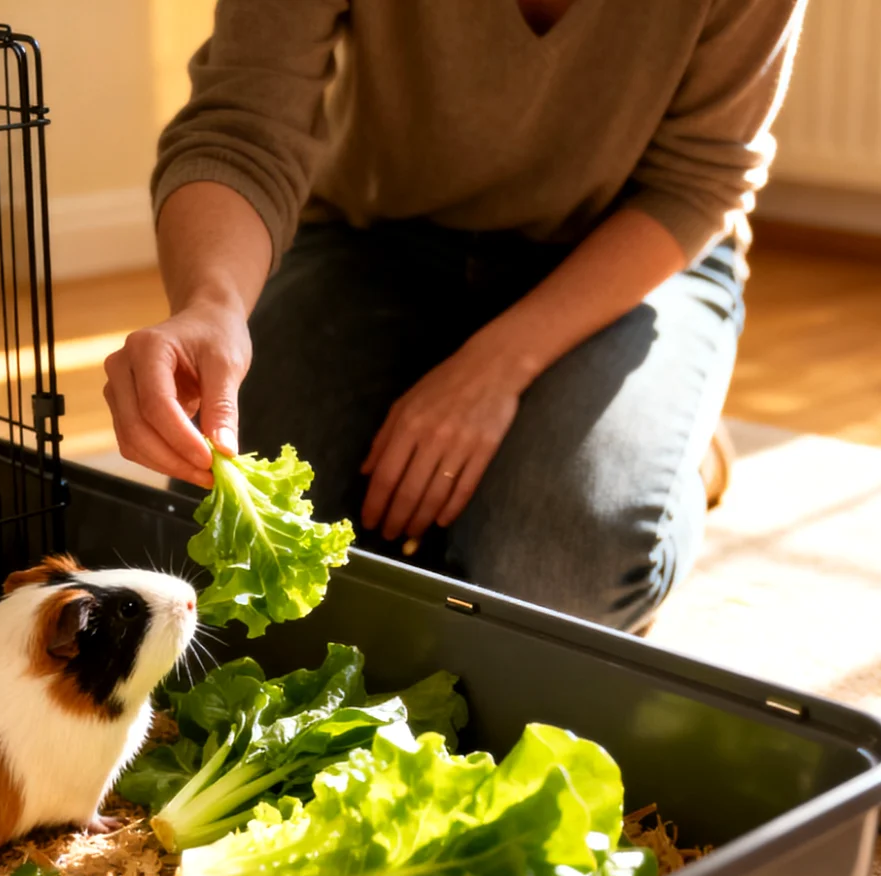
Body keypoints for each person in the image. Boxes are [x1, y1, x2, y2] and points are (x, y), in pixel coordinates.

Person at [104, 0, 804, 632]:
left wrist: (496, 366)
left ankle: (678, 447)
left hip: (628, 254)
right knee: (234, 564)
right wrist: (213, 302)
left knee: (551, 575)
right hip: (371, 236)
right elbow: (245, 117)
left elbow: (699, 177)